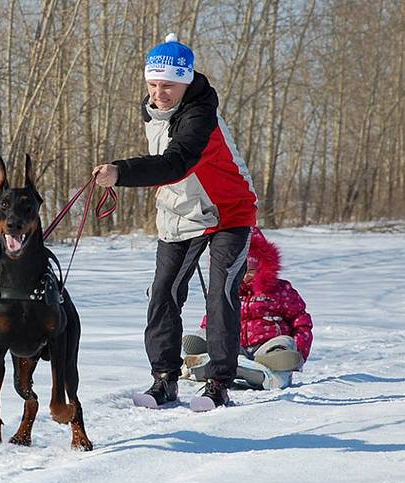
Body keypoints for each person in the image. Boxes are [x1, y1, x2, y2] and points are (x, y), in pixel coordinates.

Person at [93, 33, 257, 409]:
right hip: (178, 212)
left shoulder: (201, 116)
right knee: (163, 293)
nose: (158, 93)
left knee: (220, 296)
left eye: (167, 86)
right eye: (152, 84)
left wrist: (122, 172)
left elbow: (176, 162)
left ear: (185, 81)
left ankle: (218, 382)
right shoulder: (153, 110)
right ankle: (164, 379)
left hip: (227, 212)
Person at [182, 227, 313, 390]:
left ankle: (271, 364)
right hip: (235, 345)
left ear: (263, 268)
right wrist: (206, 332)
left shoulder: (280, 290)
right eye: (240, 271)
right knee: (213, 333)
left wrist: (299, 351)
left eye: (250, 271)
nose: (244, 276)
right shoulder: (226, 291)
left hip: (267, 346)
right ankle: (211, 357)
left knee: (283, 343)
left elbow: (301, 323)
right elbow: (213, 318)